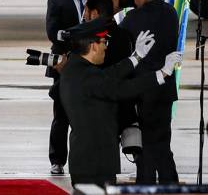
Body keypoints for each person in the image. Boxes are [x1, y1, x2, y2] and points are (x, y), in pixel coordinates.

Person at [59, 17, 182, 187]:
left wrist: (136, 57)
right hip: (95, 164)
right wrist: (162, 74)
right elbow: (124, 88)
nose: (105, 47)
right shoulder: (88, 76)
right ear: (93, 45)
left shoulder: (75, 68)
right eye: (104, 42)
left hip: (87, 161)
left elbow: (109, 75)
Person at [118, 0, 180, 184]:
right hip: (165, 91)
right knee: (163, 145)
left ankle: (145, 187)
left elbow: (119, 46)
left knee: (143, 149)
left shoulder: (133, 18)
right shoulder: (171, 12)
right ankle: (170, 186)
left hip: (142, 92)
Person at [44, 0, 90, 175]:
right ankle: (57, 160)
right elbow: (53, 32)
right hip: (64, 66)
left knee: (88, 115)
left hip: (90, 66)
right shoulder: (57, 2)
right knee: (61, 116)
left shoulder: (95, 1)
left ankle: (86, 158)